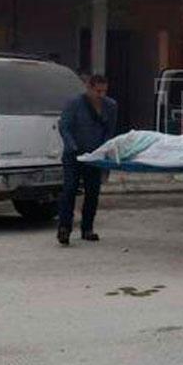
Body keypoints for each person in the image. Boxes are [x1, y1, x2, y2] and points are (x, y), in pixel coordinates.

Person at [57, 74, 118, 246]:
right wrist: (72, 146)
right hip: (74, 154)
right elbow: (64, 127)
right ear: (88, 88)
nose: (101, 95)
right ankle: (64, 228)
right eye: (98, 91)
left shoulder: (111, 105)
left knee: (92, 192)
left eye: (104, 91)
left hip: (95, 156)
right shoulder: (74, 103)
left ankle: (87, 228)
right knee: (69, 190)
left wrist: (103, 150)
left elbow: (109, 131)